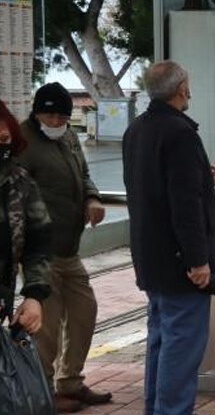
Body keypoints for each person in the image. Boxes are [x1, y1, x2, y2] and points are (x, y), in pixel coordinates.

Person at [123, 60, 215, 415]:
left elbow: (147, 188)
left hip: (152, 257)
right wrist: (198, 261)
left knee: (161, 342)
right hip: (181, 263)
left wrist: (201, 173)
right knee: (182, 350)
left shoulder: (137, 129)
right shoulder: (180, 133)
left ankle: (157, 409)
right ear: (181, 88)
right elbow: (184, 205)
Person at [16, 83, 110, 412]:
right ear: (36, 111)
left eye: (62, 116)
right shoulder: (23, 142)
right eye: (50, 114)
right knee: (47, 324)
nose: (56, 121)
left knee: (85, 310)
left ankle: (70, 381)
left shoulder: (68, 136)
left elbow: (83, 173)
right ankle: (42, 391)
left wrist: (93, 197)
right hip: (41, 252)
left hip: (70, 249)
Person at [0, 98, 52, 359]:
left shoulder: (20, 182)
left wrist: (34, 296)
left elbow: (38, 245)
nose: (3, 139)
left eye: (4, 136)